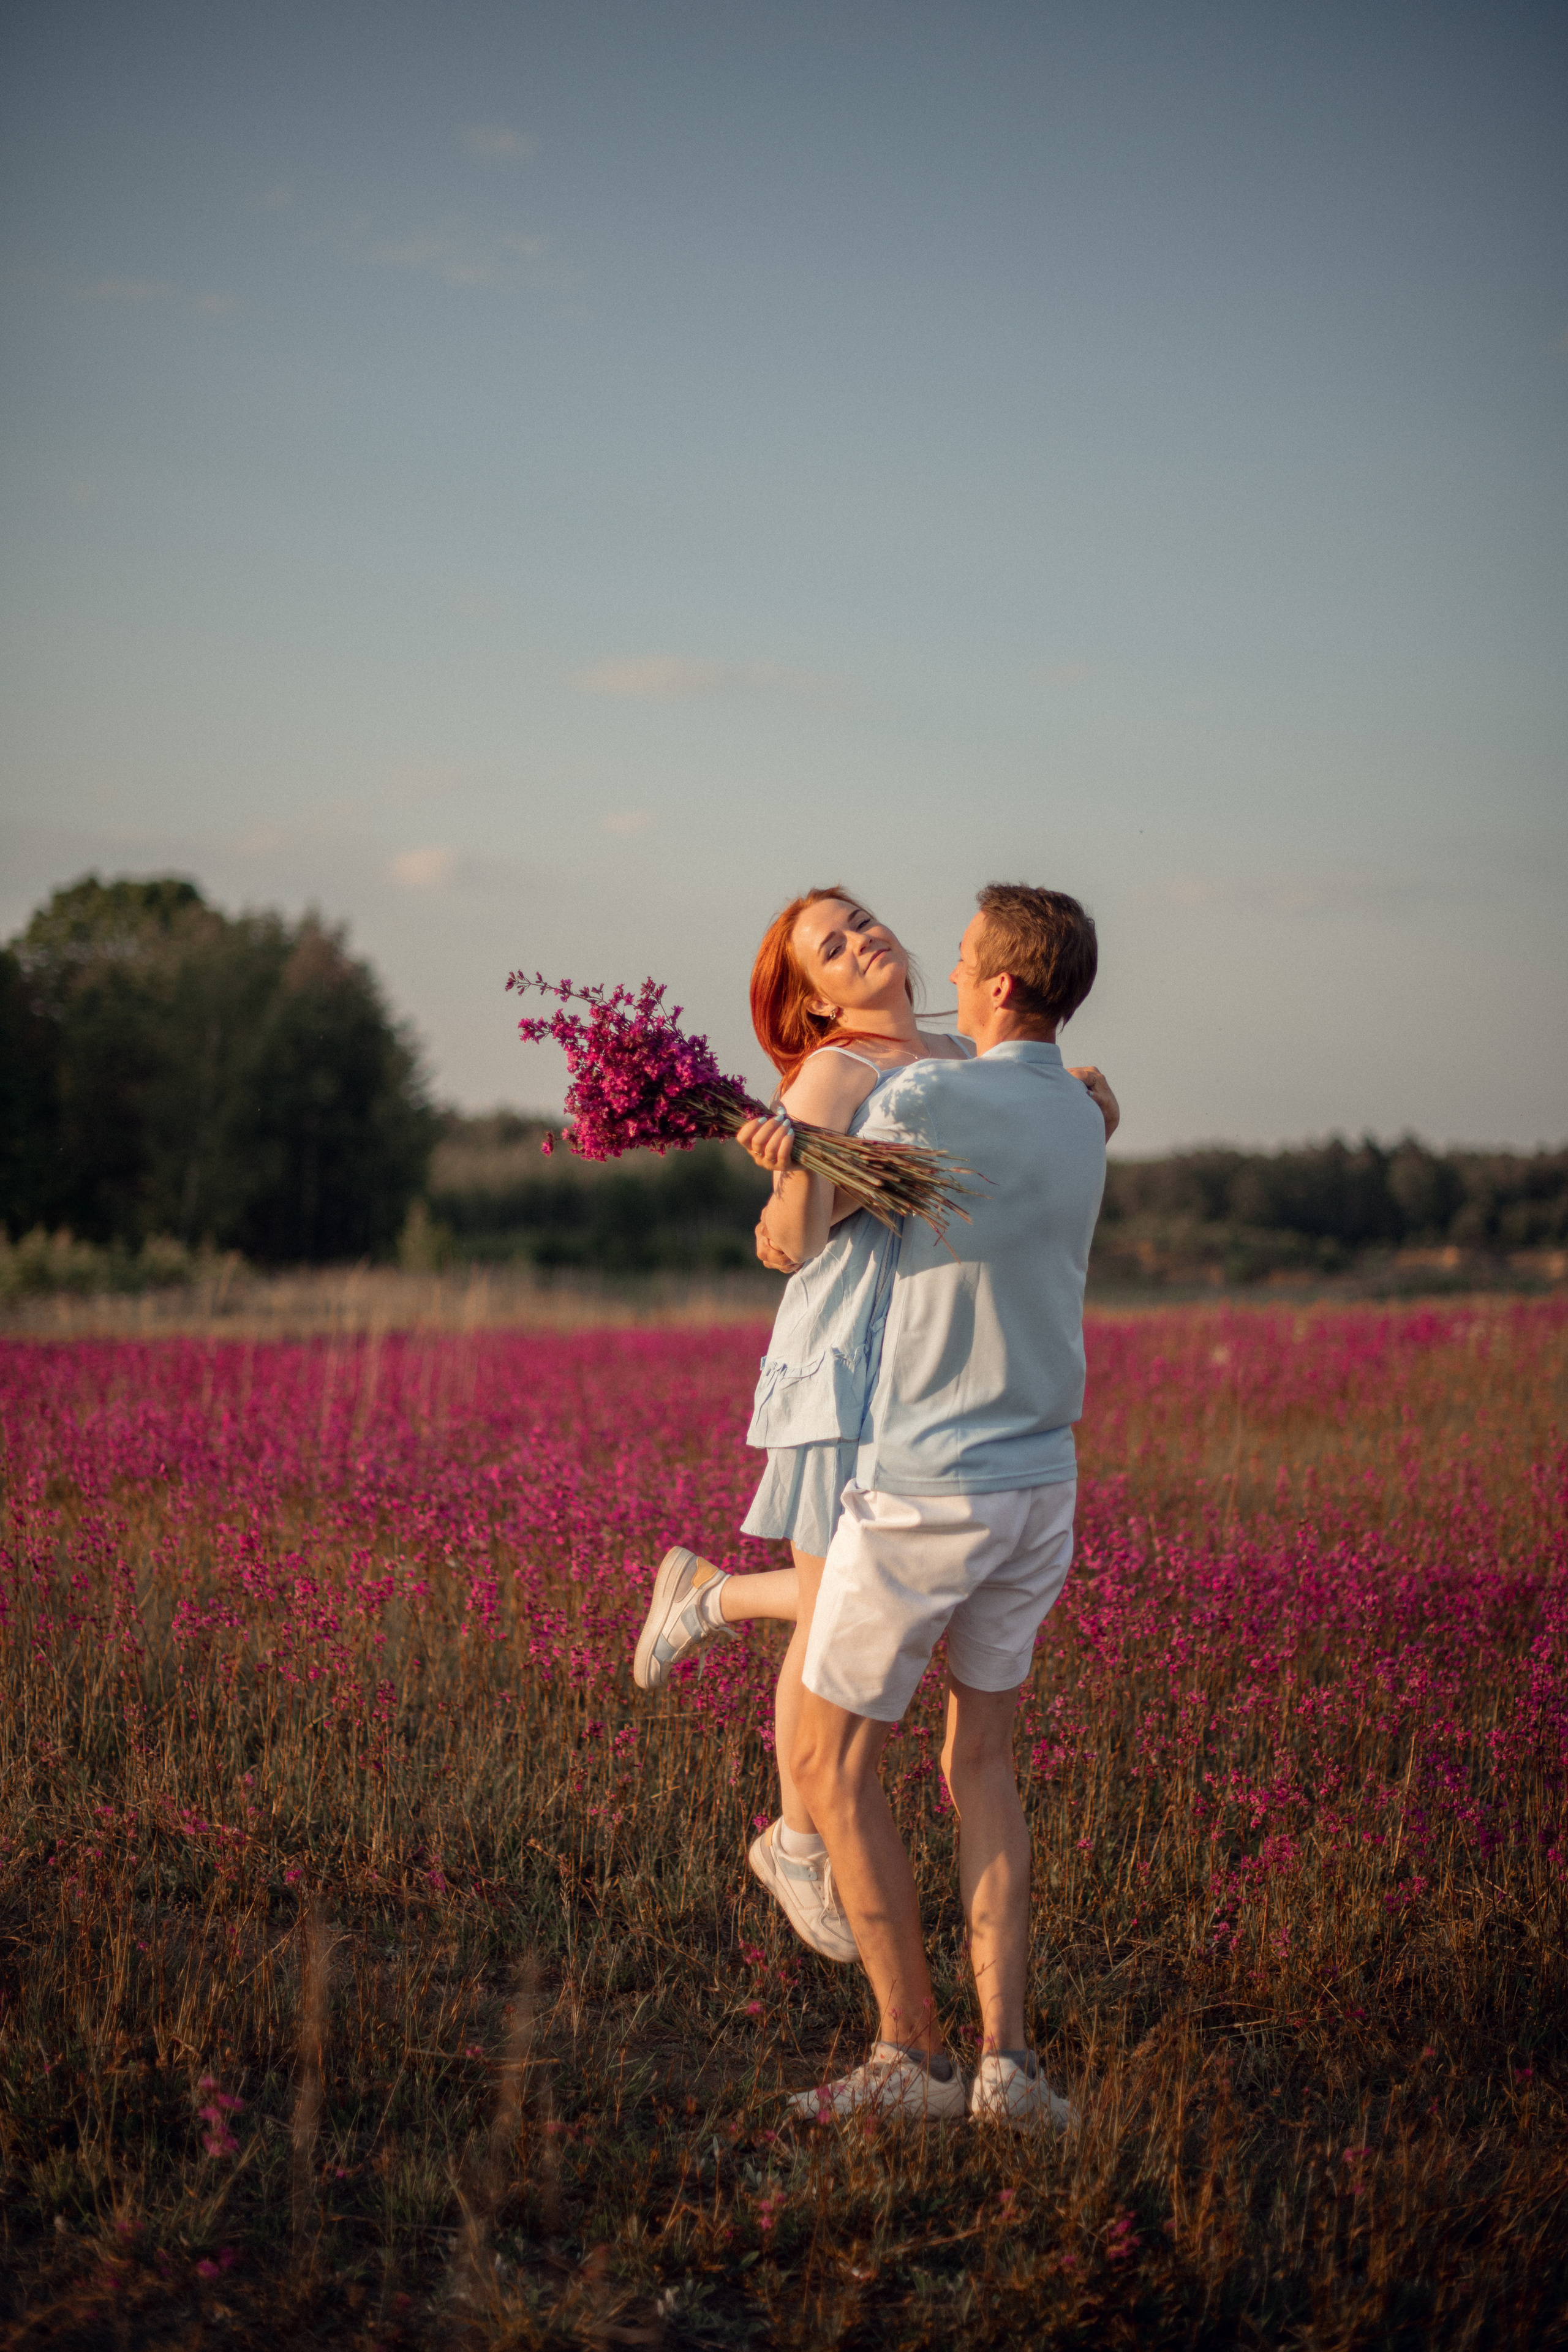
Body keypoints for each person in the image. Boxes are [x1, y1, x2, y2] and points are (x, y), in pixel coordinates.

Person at [633, 884, 1118, 1983]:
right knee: (836, 1605)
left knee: (854, 1593)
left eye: (861, 921)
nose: (865, 943)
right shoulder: (833, 1072)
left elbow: (1022, 1110)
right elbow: (788, 1246)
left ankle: (708, 1598)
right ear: (810, 998)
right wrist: (797, 1161)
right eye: (832, 948)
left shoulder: (959, 1046)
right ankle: (799, 1841)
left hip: (927, 1365)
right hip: (848, 1363)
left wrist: (1090, 1099)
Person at [737, 883, 1108, 2131]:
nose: (913, 955)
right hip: (1038, 1480)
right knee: (983, 1762)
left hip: (924, 1479)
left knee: (835, 1767)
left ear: (999, 986)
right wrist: (806, 1160)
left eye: (958, 955)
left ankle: (911, 2059)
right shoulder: (1084, 1110)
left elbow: (809, 1220)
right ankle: (1010, 2069)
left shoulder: (914, 1092)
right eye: (837, 942)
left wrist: (791, 1154)